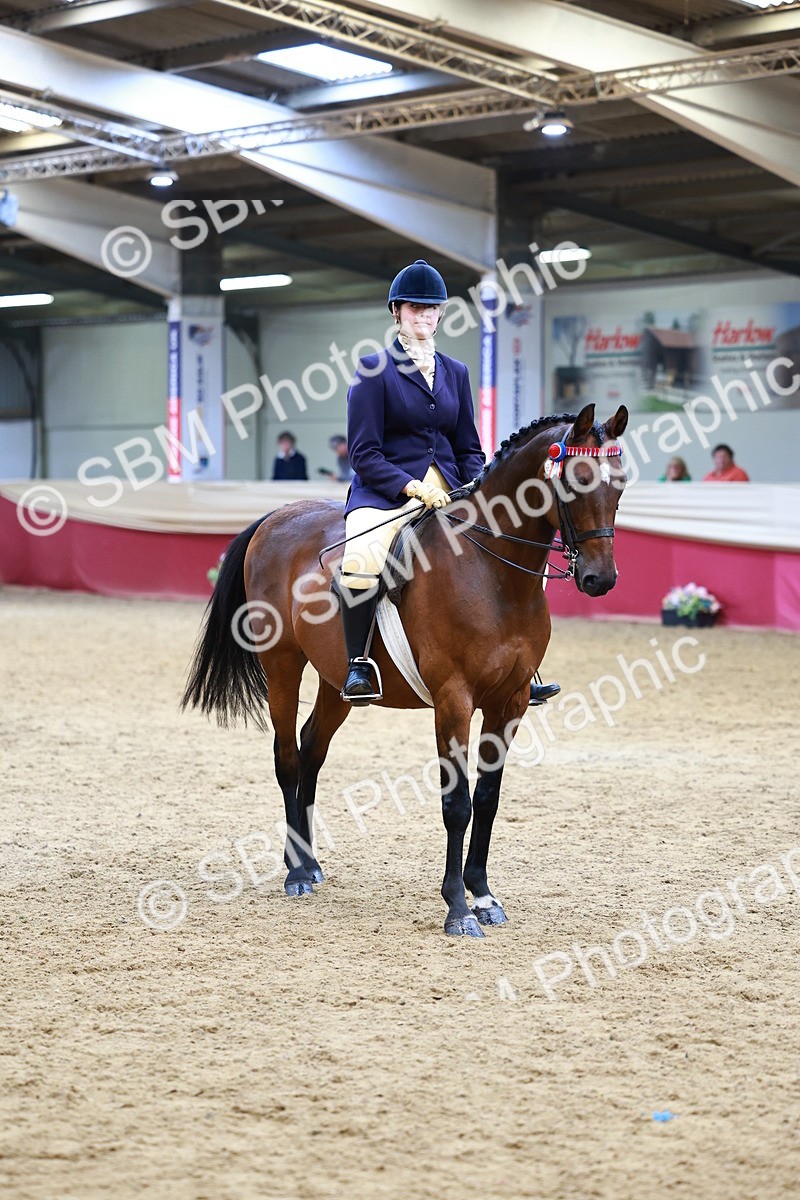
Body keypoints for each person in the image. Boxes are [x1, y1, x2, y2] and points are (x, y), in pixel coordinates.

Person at [338, 257, 560, 708]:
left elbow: (469, 446)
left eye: (432, 308)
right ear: (397, 311)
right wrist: (411, 487)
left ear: (441, 314)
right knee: (363, 557)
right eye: (415, 308)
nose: (425, 315)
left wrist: (479, 485)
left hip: (454, 491)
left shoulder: (455, 372)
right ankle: (358, 664)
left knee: (513, 550)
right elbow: (364, 453)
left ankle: (524, 664)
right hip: (387, 492)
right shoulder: (372, 370)